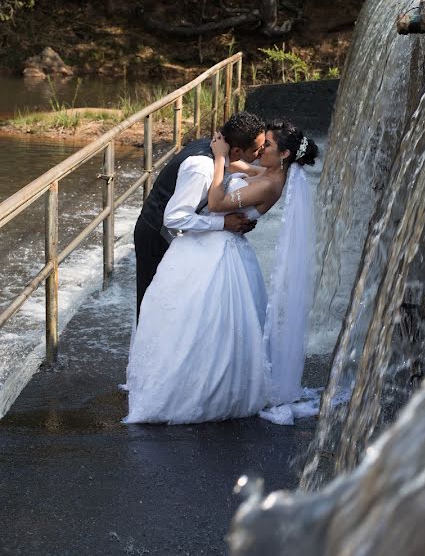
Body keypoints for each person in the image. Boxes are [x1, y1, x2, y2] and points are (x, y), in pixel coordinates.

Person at [124, 120, 317, 425]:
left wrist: (217, 160)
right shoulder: (268, 173)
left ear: (284, 154)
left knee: (209, 323)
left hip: (221, 251)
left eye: (266, 145)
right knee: (190, 320)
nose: (261, 150)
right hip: (212, 247)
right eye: (260, 143)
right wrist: (225, 151)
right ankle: (181, 377)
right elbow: (242, 166)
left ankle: (201, 390)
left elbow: (216, 203)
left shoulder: (270, 183)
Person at [132, 111, 265, 320]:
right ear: (238, 150)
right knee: (153, 305)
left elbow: (231, 166)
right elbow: (175, 217)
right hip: (156, 235)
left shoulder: (217, 148)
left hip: (171, 233)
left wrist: (267, 175)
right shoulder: (201, 169)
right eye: (257, 150)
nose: (261, 153)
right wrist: (223, 223)